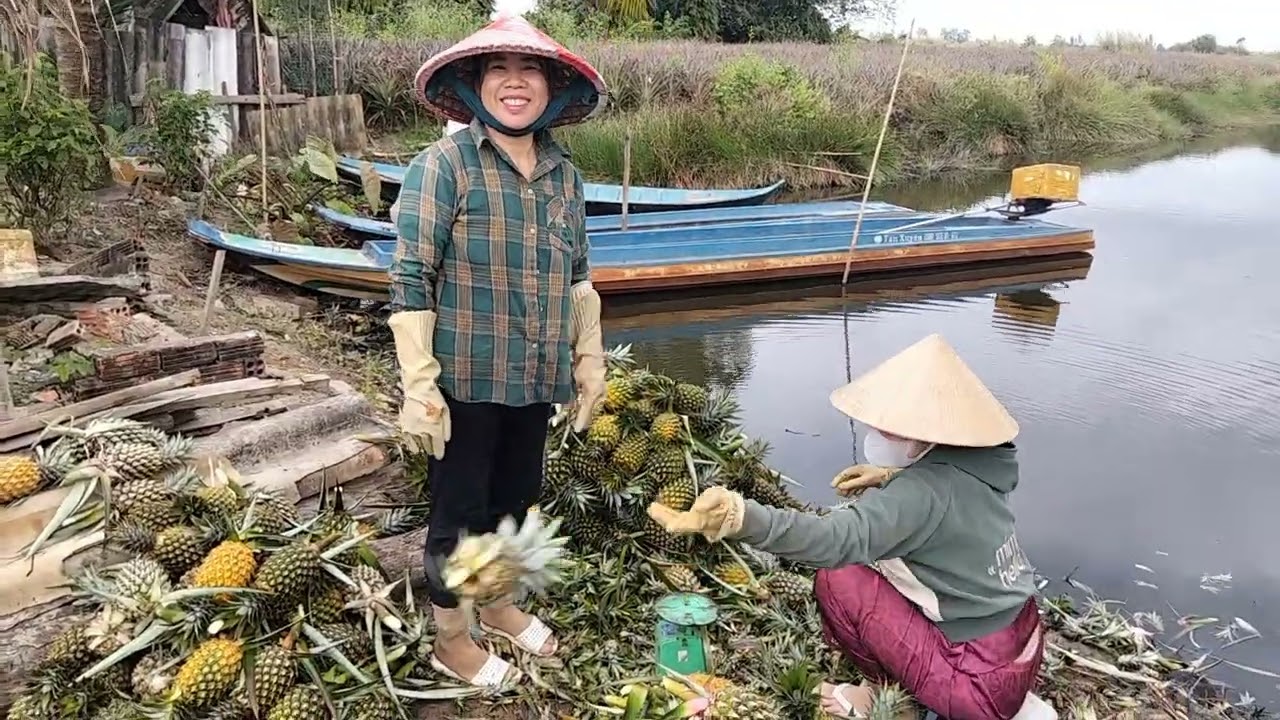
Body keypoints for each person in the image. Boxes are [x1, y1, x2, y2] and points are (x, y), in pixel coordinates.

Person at [648, 334, 1049, 720]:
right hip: (1022, 651)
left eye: (889, 427)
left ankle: (892, 699)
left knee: (840, 579)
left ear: (924, 435)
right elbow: (947, 505)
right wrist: (892, 476)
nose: (877, 433)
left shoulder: (920, 496)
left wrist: (741, 516)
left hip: (977, 691)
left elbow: (834, 540)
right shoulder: (983, 469)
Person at [387, 13, 609, 690]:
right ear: (475, 86)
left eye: (530, 70)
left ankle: (502, 604)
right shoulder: (444, 166)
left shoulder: (564, 176)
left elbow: (577, 275)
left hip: (535, 375)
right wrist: (419, 383)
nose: (515, 83)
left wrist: (589, 361)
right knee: (460, 515)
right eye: (498, 71)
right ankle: (452, 640)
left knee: (519, 501)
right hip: (466, 379)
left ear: (551, 89)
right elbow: (410, 279)